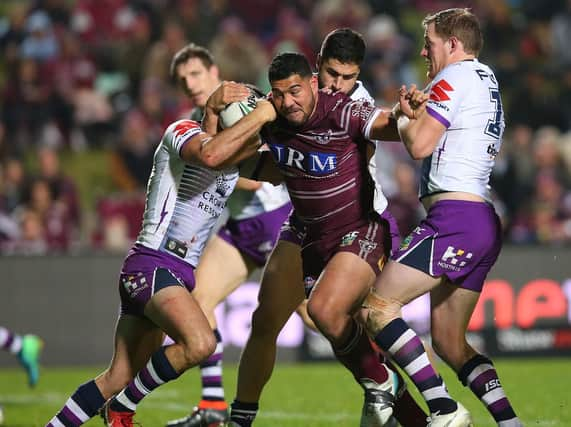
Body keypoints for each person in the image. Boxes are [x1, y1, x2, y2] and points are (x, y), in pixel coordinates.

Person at [46, 82, 277, 427]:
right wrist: (241, 114)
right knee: (200, 343)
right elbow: (210, 154)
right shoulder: (181, 131)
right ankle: (121, 408)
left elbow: (280, 169)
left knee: (117, 378)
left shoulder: (235, 162)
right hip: (153, 265)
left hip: (169, 276)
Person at [228, 29, 427, 427]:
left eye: (348, 77)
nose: (339, 84)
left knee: (359, 325)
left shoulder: (353, 103)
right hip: (304, 223)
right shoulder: (291, 96)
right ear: (317, 64)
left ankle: (426, 411)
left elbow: (381, 128)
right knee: (268, 320)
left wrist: (406, 116)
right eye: (332, 74)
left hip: (359, 219)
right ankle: (241, 417)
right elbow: (274, 163)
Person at [363, 8, 522, 427]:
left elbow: (418, 147)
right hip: (482, 217)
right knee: (451, 344)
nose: (423, 51)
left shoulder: (452, 78)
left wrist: (402, 114)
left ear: (452, 44)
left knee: (377, 309)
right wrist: (417, 114)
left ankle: (444, 409)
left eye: (429, 42)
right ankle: (511, 424)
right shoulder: (485, 78)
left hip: (455, 218)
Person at [164, 44, 296, 427]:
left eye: (195, 74)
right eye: (182, 80)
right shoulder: (196, 118)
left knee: (322, 314)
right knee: (198, 300)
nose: (190, 84)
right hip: (241, 228)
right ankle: (213, 407)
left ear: (213, 71)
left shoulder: (243, 101)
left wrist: (216, 169)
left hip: (275, 217)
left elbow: (255, 177)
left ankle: (383, 378)